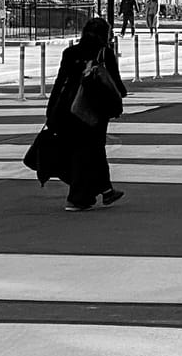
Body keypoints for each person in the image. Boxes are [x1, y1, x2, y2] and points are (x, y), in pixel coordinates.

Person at [46, 17, 126, 212]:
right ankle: (79, 197)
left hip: (70, 108)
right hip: (95, 111)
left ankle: (105, 190)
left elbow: (59, 83)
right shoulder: (104, 54)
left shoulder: (70, 52)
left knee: (82, 150)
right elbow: (116, 84)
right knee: (92, 150)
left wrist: (51, 110)